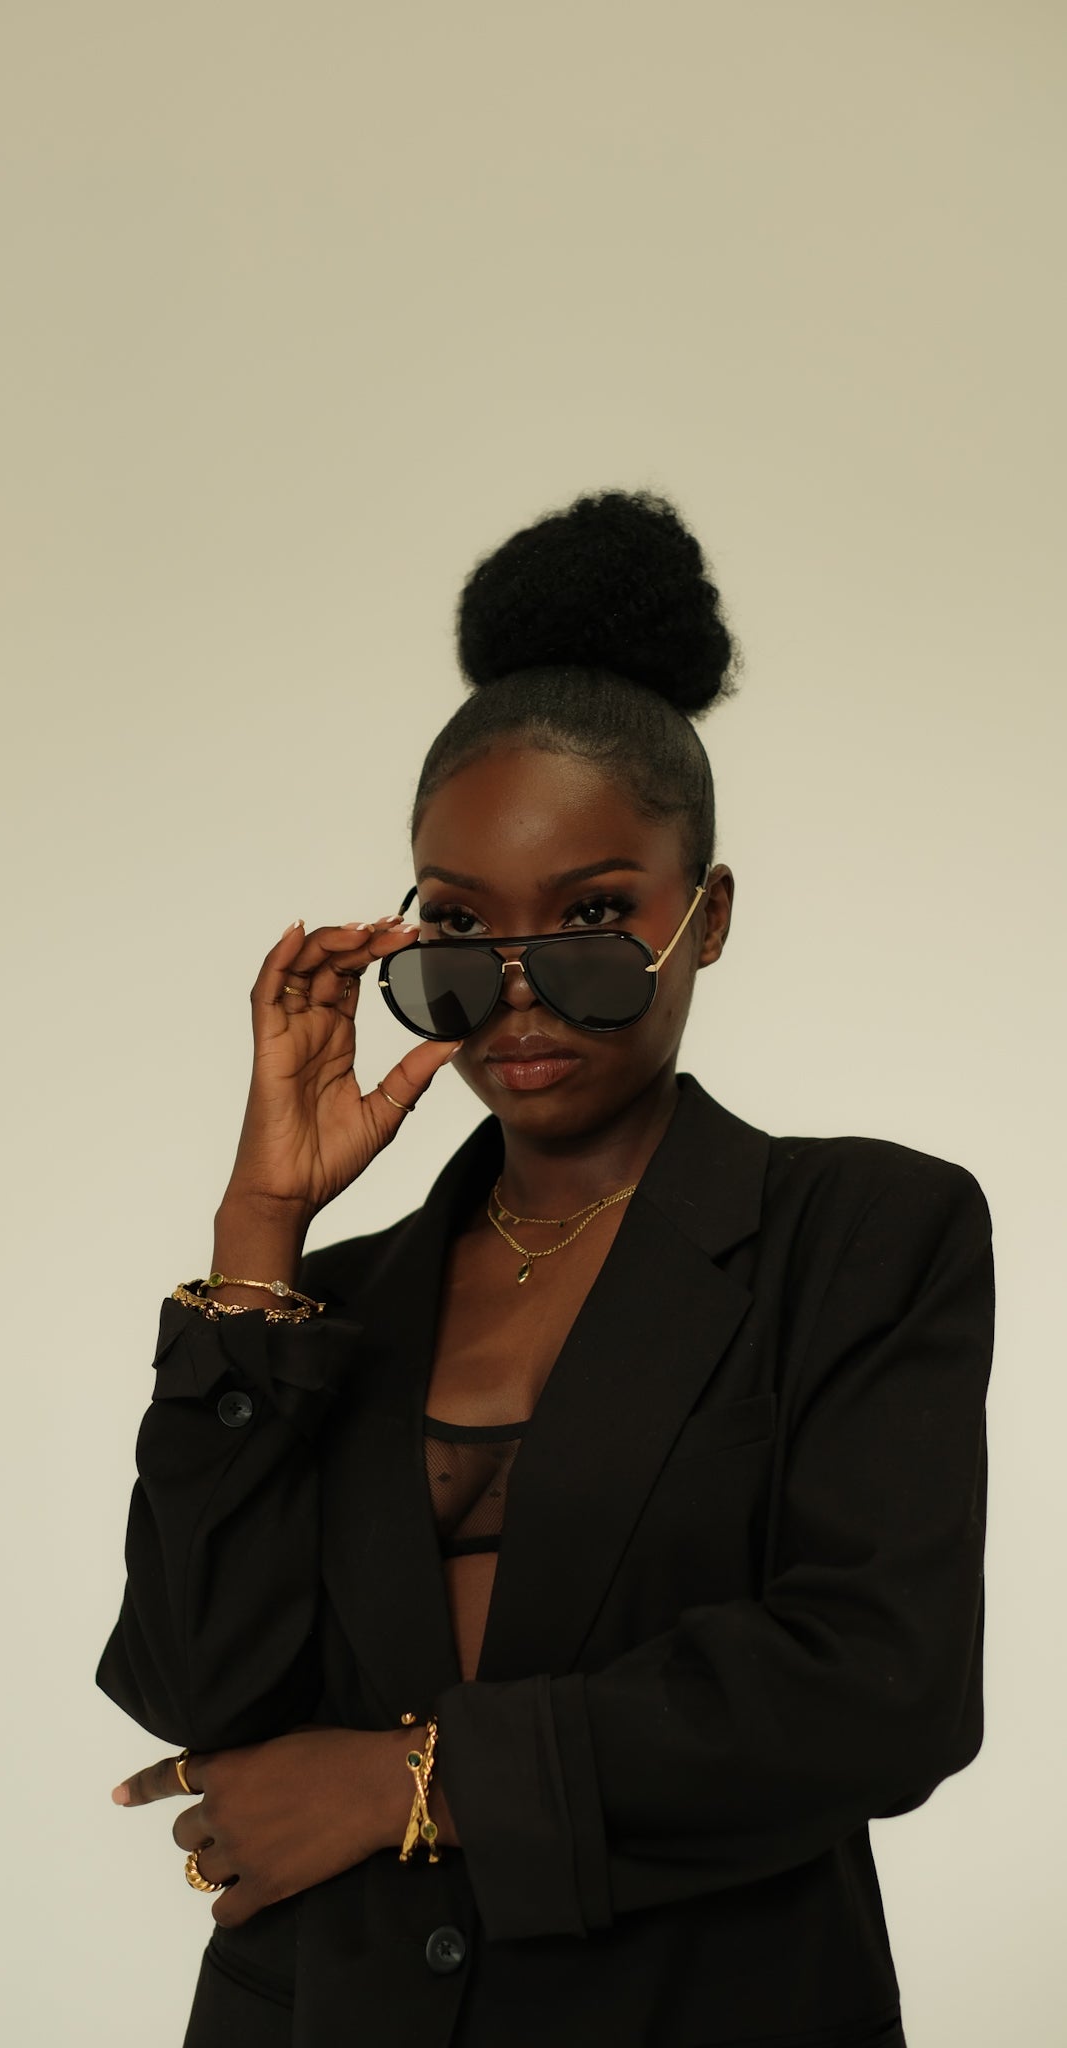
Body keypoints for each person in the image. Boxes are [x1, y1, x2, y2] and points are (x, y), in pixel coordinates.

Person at [96, 491, 993, 2048]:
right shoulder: (329, 1306)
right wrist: (259, 1231)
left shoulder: (858, 1231)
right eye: (455, 929)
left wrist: (409, 1783)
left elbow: (876, 1686)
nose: (515, 992)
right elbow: (201, 1692)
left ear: (704, 917)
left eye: (589, 919)